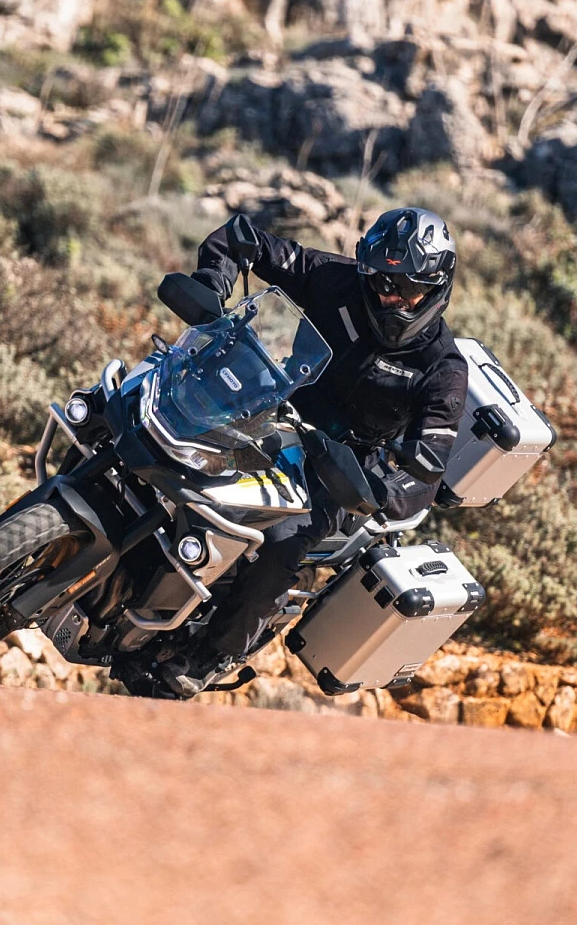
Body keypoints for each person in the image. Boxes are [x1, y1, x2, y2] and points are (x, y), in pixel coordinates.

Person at [164, 205, 468, 692]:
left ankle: (207, 657)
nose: (389, 296)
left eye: (406, 288)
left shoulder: (443, 368)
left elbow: (428, 466)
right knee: (169, 429)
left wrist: (379, 491)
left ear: (435, 288)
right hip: (273, 410)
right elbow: (243, 237)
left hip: (341, 469)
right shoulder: (335, 278)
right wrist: (212, 283)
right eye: (380, 280)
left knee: (283, 539)